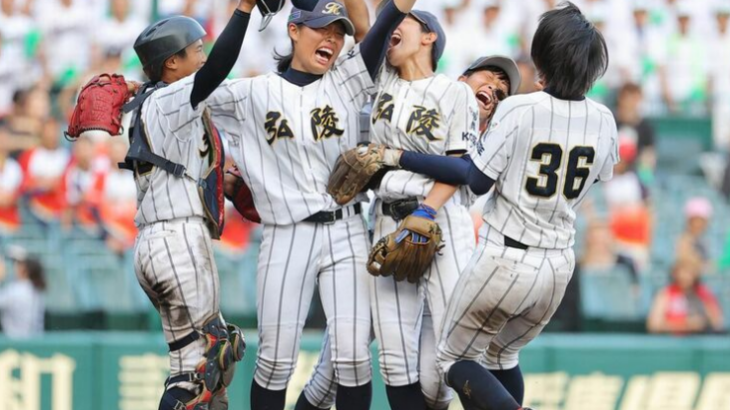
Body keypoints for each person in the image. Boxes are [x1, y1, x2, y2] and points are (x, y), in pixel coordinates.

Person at [366, 3, 616, 409]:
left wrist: (400, 156)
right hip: (558, 266)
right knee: (501, 355)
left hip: (507, 257)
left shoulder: (520, 108)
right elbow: (601, 177)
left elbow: (476, 179)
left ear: (542, 60)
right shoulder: (605, 118)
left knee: (452, 358)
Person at [209, 0, 420, 408]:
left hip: (345, 229)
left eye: (339, 32)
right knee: (274, 361)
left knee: (355, 358)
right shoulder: (252, 93)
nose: (333, 38)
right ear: (294, 29)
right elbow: (197, 90)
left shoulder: (346, 79)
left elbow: (391, 14)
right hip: (287, 234)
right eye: (323, 28)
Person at [115, 0, 257, 408]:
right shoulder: (171, 97)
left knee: (209, 371)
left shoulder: (154, 102)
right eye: (194, 50)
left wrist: (223, 181)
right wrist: (244, 10)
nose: (202, 56)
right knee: (200, 369)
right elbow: (217, 71)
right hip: (178, 238)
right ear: (171, 63)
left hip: (160, 239)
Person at [647, 256, 724, 335]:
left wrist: (703, 321)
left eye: (689, 272)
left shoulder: (703, 293)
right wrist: (685, 324)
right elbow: (654, 325)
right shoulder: (666, 293)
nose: (685, 276)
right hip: (671, 342)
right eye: (682, 272)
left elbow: (717, 323)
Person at [0, 247, 45, 339]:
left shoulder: (17, 289)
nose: (15, 266)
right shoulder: (35, 288)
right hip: (35, 342)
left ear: (25, 268)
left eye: (18, 264)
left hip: (16, 344)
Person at [676, 197, 713, 268]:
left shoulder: (704, 241)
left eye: (702, 222)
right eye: (696, 221)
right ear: (689, 221)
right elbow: (683, 260)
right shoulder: (684, 239)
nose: (699, 225)